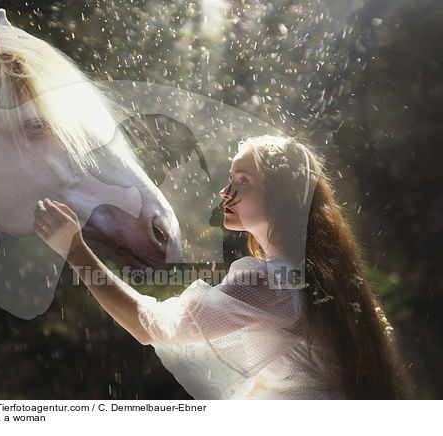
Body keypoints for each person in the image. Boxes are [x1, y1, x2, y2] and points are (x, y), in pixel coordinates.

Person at [33, 134, 412, 400]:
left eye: (243, 180)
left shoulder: (270, 283)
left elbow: (150, 326)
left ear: (283, 195)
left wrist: (74, 250)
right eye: (230, 178)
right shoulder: (313, 275)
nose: (225, 192)